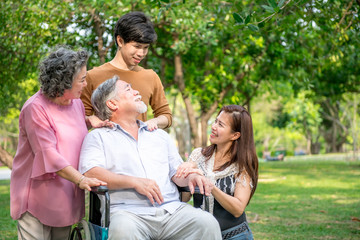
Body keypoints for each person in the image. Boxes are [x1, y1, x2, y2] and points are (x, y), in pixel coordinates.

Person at [79, 76, 222, 240]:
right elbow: (90, 173)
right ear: (112, 104)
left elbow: (177, 173)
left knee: (207, 223)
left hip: (172, 211)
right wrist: (134, 182)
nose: (136, 91)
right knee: (123, 230)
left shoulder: (160, 136)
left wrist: (193, 176)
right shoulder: (98, 137)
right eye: (128, 89)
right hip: (128, 214)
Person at [10, 46, 107, 240]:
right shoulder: (35, 108)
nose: (86, 84)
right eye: (82, 79)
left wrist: (89, 121)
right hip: (37, 195)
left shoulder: (76, 103)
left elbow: (67, 131)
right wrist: (81, 179)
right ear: (65, 82)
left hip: (65, 192)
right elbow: (48, 153)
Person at [176, 105, 259, 240]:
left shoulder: (242, 165)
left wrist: (211, 187)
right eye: (215, 121)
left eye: (220, 124)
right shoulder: (198, 156)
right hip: (202, 235)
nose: (213, 126)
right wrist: (184, 175)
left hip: (235, 236)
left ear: (235, 135)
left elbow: (238, 209)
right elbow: (184, 198)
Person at [81, 11, 172, 131]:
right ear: (120, 41)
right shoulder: (92, 76)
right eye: (137, 46)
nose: (141, 53)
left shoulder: (151, 76)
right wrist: (92, 120)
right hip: (106, 146)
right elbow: (81, 119)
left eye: (146, 48)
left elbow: (166, 116)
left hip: (139, 145)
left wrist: (154, 121)